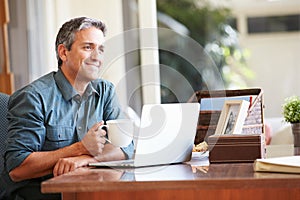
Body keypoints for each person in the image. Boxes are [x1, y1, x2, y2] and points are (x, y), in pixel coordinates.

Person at [0, 16, 134, 200]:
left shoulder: (105, 91)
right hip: (38, 194)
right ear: (63, 53)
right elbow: (17, 168)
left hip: (85, 188)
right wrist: (79, 148)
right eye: (88, 47)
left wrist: (86, 160)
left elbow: (125, 147)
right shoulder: (33, 97)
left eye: (101, 49)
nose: (97, 57)